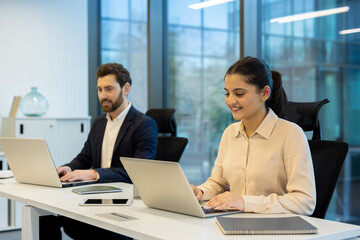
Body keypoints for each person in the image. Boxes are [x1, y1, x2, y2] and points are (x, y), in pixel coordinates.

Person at [40, 63, 158, 240]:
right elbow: (84, 158)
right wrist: (68, 168)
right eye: (99, 89)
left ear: (126, 88)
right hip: (96, 197)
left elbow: (139, 173)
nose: (103, 95)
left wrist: (94, 174)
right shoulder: (98, 123)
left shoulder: (144, 124)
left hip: (124, 203)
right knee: (47, 219)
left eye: (109, 89)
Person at [191, 56, 316, 215]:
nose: (230, 101)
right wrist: (201, 192)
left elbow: (305, 201)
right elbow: (218, 183)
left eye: (239, 93)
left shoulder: (291, 134)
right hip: (234, 222)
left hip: (275, 229)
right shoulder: (230, 133)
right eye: (227, 93)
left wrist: (244, 202)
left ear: (264, 93)